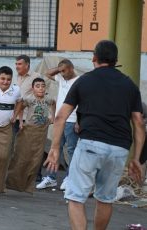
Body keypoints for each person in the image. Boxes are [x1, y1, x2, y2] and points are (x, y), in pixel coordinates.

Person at [45, 40, 145, 230]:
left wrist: (55, 148)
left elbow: (60, 117)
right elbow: (139, 122)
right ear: (116, 61)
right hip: (119, 148)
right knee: (106, 199)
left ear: (94, 58)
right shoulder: (129, 84)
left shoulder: (84, 80)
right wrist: (137, 158)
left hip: (90, 144)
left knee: (75, 197)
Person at [6, 78, 55, 193]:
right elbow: (21, 107)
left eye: (43, 86)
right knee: (23, 155)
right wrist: (20, 121)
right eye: (38, 86)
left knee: (36, 158)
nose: (41, 88)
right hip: (29, 130)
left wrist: (53, 116)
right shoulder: (29, 99)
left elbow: (54, 103)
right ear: (33, 88)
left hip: (41, 131)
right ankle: (13, 181)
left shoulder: (48, 99)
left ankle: (28, 184)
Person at [36, 59, 79, 190]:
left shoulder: (79, 81)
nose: (63, 74)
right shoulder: (61, 78)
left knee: (71, 150)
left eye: (65, 70)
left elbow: (83, 102)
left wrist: (79, 121)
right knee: (55, 149)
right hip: (60, 120)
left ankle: (70, 178)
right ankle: (51, 178)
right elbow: (48, 73)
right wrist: (59, 69)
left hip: (72, 119)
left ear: (71, 68)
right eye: (61, 71)